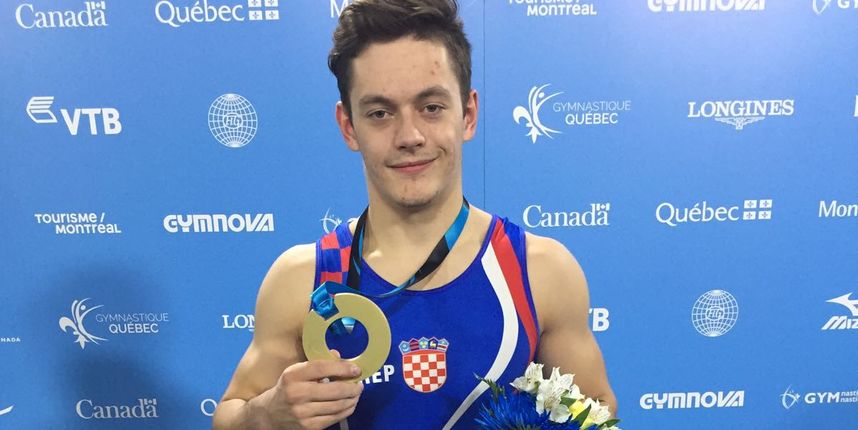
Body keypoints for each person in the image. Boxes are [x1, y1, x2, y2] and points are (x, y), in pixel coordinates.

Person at [213, 1, 616, 429]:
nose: (409, 136)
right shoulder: (301, 279)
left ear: (468, 115)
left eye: (431, 107)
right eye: (380, 113)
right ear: (349, 126)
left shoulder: (541, 271)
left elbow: (598, 413)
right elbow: (229, 415)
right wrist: (267, 413)